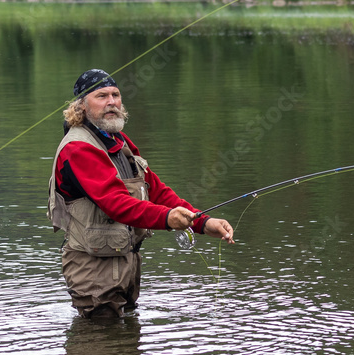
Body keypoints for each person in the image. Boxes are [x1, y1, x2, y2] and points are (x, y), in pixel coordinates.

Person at [48, 69, 234, 319]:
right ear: (81, 105)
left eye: (115, 94)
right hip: (92, 269)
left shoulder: (118, 141)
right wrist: (168, 219)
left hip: (124, 262)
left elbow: (155, 190)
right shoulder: (78, 148)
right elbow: (116, 203)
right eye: (101, 96)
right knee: (98, 345)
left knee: (127, 349)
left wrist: (202, 221)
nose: (111, 101)